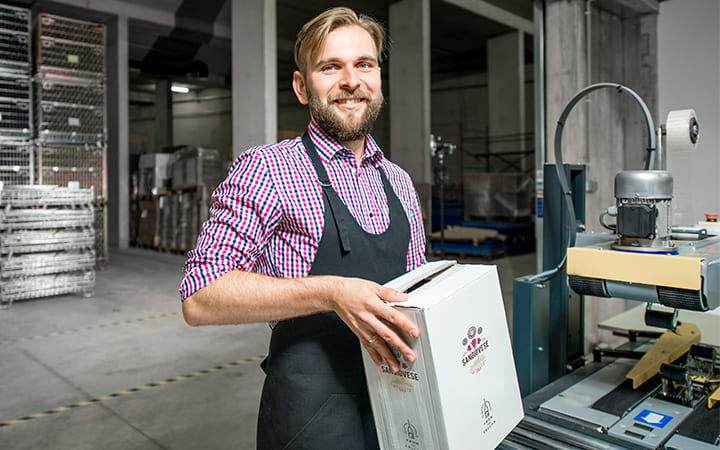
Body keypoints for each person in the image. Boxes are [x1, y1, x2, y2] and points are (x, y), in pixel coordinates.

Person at [180, 6, 427, 449]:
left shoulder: (400, 182)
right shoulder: (268, 169)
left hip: (398, 410)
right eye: (330, 67)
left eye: (364, 64)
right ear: (301, 86)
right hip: (311, 419)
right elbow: (201, 296)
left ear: (378, 79)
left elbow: (416, 301)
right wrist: (330, 292)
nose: (351, 80)